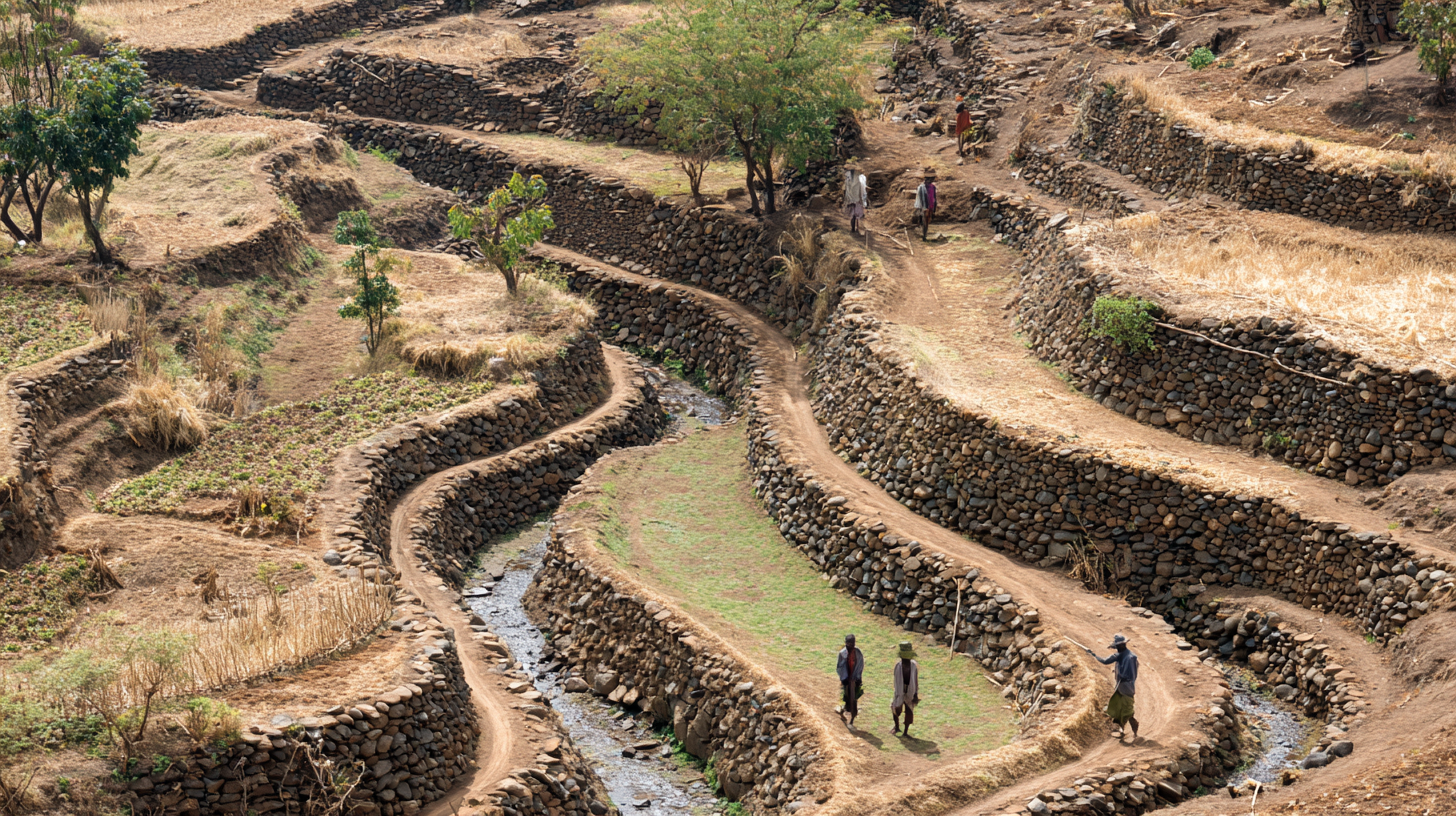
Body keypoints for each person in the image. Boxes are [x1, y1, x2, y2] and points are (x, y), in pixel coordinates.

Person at [1087, 634, 1139, 741]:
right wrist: (1093, 655)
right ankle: (1122, 730)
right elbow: (1106, 661)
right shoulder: (1120, 655)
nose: (1117, 648)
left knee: (1127, 711)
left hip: (1127, 688)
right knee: (1119, 709)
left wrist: (1123, 676)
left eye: (1119, 645)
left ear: (1123, 645)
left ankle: (1135, 733)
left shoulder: (1130, 657)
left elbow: (1132, 675)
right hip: (1120, 686)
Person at [891, 641, 920, 737]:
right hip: (899, 690)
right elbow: (896, 681)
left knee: (909, 711)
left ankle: (906, 732)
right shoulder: (898, 667)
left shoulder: (913, 667)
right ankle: (896, 726)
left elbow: (915, 681)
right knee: (896, 708)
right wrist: (898, 692)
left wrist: (915, 694)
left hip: (910, 691)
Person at [837, 634, 865, 726]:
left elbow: (860, 665)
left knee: (854, 699)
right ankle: (843, 710)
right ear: (846, 643)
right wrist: (843, 678)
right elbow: (840, 667)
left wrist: (858, 678)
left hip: (854, 679)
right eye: (850, 643)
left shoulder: (858, 653)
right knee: (847, 697)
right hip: (846, 679)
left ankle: (852, 719)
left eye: (853, 643)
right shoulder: (842, 653)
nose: (852, 645)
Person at [843, 165, 868, 235]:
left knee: (854, 215)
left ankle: (855, 228)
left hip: (855, 199)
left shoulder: (856, 179)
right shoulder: (851, 179)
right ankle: (854, 228)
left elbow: (861, 190)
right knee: (854, 215)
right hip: (854, 199)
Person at [913, 168, 937, 240]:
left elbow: (934, 197)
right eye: (931, 179)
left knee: (927, 221)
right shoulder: (921, 187)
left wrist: (934, 207)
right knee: (924, 221)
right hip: (924, 207)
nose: (931, 180)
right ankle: (924, 235)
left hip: (930, 206)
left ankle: (925, 234)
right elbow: (920, 198)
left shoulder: (933, 187)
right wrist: (923, 208)